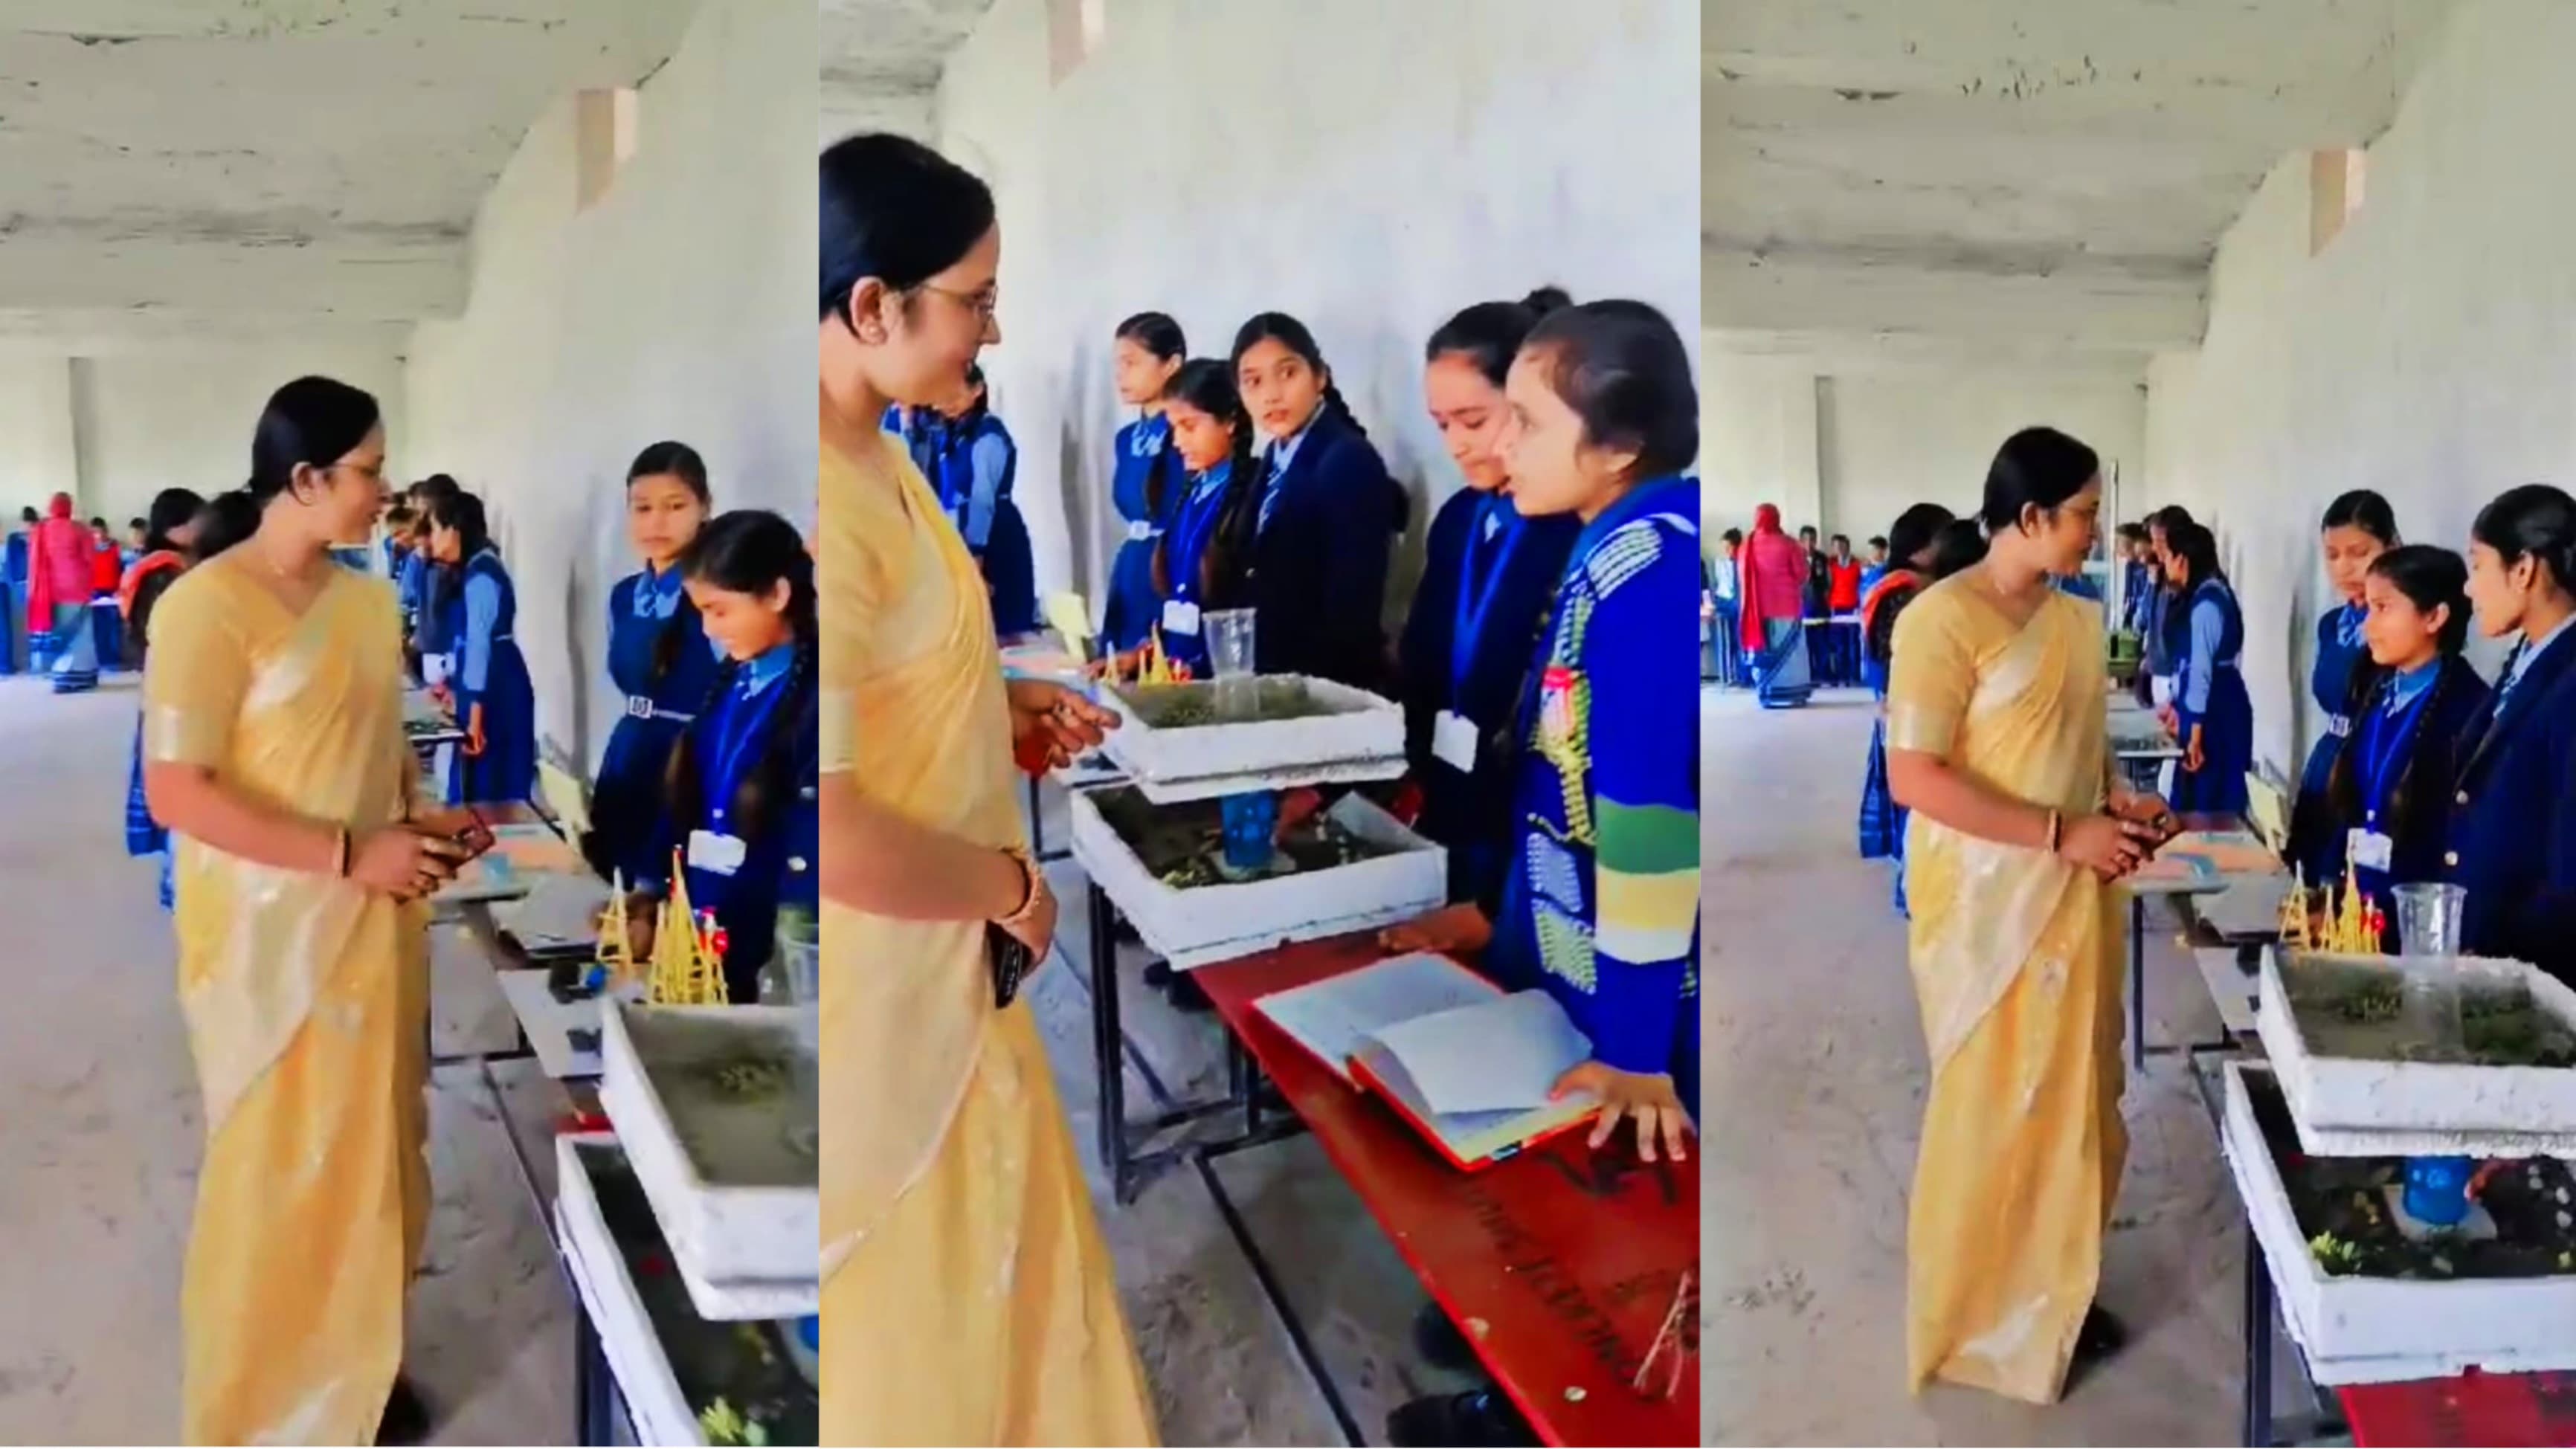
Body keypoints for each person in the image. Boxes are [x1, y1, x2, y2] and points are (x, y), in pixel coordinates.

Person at [816, 129, 1152, 1445]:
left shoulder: (885, 454)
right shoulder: (822, 508)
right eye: (976, 299)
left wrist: (989, 705)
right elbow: (834, 824)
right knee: (924, 1318)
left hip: (952, 963)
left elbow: (888, 687)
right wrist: (1015, 885)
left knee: (1003, 1278)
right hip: (892, 987)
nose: (993, 331)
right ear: (871, 306)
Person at [142, 375, 477, 1445]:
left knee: (377, 1150)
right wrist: (347, 853)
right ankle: (272, 1398)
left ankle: (359, 1367)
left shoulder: (368, 601)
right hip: (266, 941)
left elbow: (378, 756)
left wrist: (421, 823)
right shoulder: (206, 608)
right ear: (304, 478)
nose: (385, 491)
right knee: (282, 1170)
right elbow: (176, 790)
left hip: (374, 922)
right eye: (370, 471)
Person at [1883, 424, 2174, 1405]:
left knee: (2074, 1100)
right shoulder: (1941, 620)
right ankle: (1981, 1320)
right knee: (1995, 1105)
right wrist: (2059, 832)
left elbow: (2077, 752)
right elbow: (1914, 777)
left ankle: (2056, 1295)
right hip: (1985, 905)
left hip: (2072, 893)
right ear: (2031, 514)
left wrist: (2117, 801)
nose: (2096, 530)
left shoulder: (2075, 620)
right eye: (2085, 513)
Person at [1396, 288, 1584, 915]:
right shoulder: (1460, 518)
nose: (1455, 443)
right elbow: (1424, 658)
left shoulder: (1571, 529)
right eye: (1442, 424)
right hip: (1450, 791)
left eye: (1473, 421)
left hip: (1536, 818)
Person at [645, 510, 819, 1004]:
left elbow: (809, 851)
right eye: (701, 611)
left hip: (772, 948)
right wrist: (653, 894)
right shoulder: (732, 684)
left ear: (778, 595)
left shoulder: (817, 700)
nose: (708, 629)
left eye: (719, 611)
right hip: (708, 924)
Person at [2286, 545, 2486, 922]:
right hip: (2357, 905)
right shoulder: (2377, 691)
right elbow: (2352, 803)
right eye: (2369, 609)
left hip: (2413, 917)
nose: (2368, 626)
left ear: (2434, 617)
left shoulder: (2467, 712)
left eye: (2383, 609)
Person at [1223, 312, 1405, 689]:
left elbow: (1352, 609)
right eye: (1254, 381)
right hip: (1273, 679)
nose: (1272, 395)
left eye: (1287, 373)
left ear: (1320, 376)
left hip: (1322, 690)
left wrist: (1315, 696)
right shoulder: (1275, 456)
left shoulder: (1346, 458)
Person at [2452, 485, 2576, 981]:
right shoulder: (2527, 658)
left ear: (2523, 569)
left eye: (2478, 565)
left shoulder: (2569, 682)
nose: (2469, 588)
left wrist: (2503, 957)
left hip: (2533, 973)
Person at [585, 443, 724, 888]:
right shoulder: (624, 595)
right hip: (629, 750)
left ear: (705, 508)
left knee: (668, 891)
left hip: (690, 760)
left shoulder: (716, 594)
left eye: (675, 506)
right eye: (642, 508)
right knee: (615, 883)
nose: (656, 522)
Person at [2289, 491, 2400, 879]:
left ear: (2391, 548)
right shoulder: (2331, 625)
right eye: (2332, 555)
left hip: (2374, 762)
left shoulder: (2400, 626)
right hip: (2329, 757)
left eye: (2359, 553)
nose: (2344, 568)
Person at [1856, 503, 1957, 916]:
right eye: (1942, 537)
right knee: (1916, 802)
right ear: (1920, 546)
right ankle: (1914, 891)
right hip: (1904, 710)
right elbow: (1895, 655)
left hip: (1904, 707)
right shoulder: (1900, 590)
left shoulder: (1916, 586)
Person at [1129, 358, 1256, 678]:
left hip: (1221, 675)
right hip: (1180, 670)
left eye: (1189, 426)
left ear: (1230, 422)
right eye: (1174, 428)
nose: (1177, 441)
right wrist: (1145, 656)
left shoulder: (1250, 496)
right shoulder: (1191, 493)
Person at [119, 487, 209, 911]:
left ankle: (179, 881)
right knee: (185, 792)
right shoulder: (166, 573)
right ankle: (181, 886)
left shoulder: (158, 567)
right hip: (174, 693)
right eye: (198, 520)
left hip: (161, 688)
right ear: (176, 526)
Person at [422, 491, 537, 805]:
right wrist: (454, 688)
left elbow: (479, 645)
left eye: (435, 529)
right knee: (474, 782)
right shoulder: (471, 570)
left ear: (454, 529)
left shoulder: (483, 574)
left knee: (491, 783)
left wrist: (474, 717)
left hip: (496, 687)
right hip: (481, 683)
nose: (431, 539)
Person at [1103, 312, 1188, 653]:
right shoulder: (1126, 439)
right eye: (1118, 365)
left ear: (1171, 365)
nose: (1120, 375)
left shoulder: (1187, 436)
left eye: (1131, 363)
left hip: (1170, 564)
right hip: (1132, 562)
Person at [2161, 517, 2254, 813]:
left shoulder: (2207, 605)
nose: (2165, 565)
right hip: (2209, 704)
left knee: (2209, 799)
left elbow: (2201, 671)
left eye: (2167, 557)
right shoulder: (2204, 595)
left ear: (2182, 559)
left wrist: (2195, 735)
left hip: (2217, 709)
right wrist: (2178, 707)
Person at [1736, 504, 1812, 707]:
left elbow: (1742, 580)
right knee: (1791, 654)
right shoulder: (1789, 544)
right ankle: (1792, 695)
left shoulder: (1746, 547)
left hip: (1756, 611)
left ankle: (1768, 693)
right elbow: (1802, 574)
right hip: (1787, 607)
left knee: (1763, 650)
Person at [27, 494, 100, 693]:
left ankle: (61, 676)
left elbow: (34, 560)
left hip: (51, 591)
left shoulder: (42, 530)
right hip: (78, 588)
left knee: (60, 633)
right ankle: (81, 677)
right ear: (69, 507)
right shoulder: (79, 529)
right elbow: (90, 558)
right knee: (80, 634)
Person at [1708, 528, 1743, 685]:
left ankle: (1743, 676)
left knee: (1740, 640)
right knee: (1723, 641)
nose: (1726, 551)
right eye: (1725, 547)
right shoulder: (1719, 563)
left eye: (1729, 547)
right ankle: (1726, 676)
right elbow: (1717, 584)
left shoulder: (1743, 563)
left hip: (1739, 603)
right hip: (1724, 603)